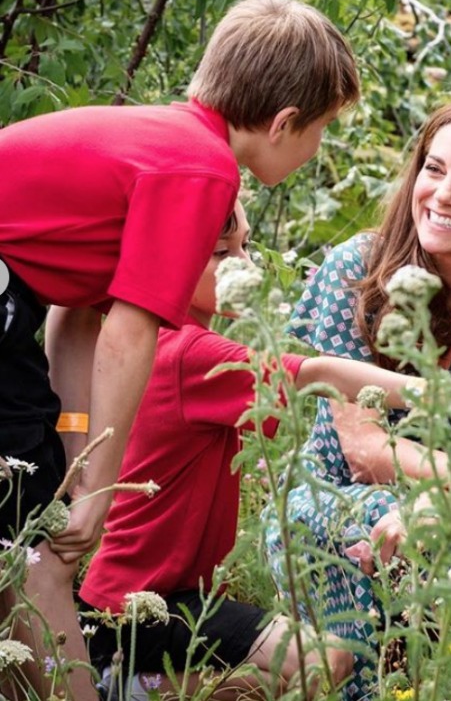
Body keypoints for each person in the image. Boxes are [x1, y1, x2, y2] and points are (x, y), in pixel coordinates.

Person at [0, 0, 359, 700]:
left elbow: (77, 315)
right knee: (37, 553)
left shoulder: (166, 140)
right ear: (285, 123)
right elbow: (130, 331)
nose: (316, 148)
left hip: (16, 302)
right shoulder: (203, 167)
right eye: (321, 130)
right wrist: (99, 494)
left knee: (25, 537)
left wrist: (79, 461)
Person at [263, 97, 451, 696]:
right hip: (338, 509)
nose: (443, 194)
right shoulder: (358, 271)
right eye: (434, 168)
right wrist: (439, 499)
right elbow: (364, 449)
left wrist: (439, 504)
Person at [78, 201, 425, 694]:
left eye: (245, 244)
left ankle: (136, 685)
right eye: (222, 252)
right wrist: (439, 394)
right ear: (167, 257)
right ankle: (126, 689)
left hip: (159, 596)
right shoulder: (190, 353)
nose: (243, 262)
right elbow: (318, 375)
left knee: (279, 671)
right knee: (326, 660)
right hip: (142, 603)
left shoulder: (163, 338)